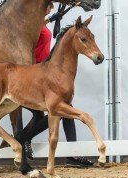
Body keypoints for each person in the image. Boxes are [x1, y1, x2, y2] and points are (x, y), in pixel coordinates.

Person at [23, 2, 94, 168]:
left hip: (46, 70)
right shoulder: (31, 24)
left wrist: (53, 19)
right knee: (62, 110)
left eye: (51, 8)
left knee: (65, 109)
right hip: (34, 73)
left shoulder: (40, 23)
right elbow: (33, 27)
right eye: (48, 7)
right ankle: (24, 136)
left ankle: (73, 154)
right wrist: (50, 19)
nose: (50, 9)